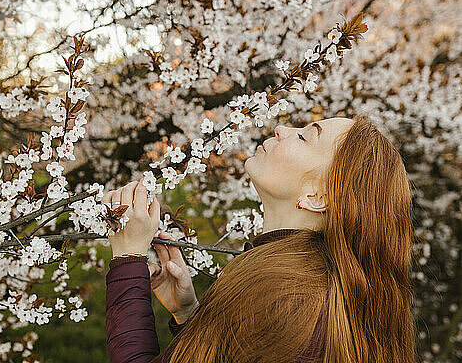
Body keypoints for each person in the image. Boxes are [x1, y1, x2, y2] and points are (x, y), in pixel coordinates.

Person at [103, 114, 417, 363]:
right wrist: (191, 316)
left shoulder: (284, 295)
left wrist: (127, 258)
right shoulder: (303, 284)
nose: (281, 128)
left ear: (318, 196)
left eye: (305, 136)